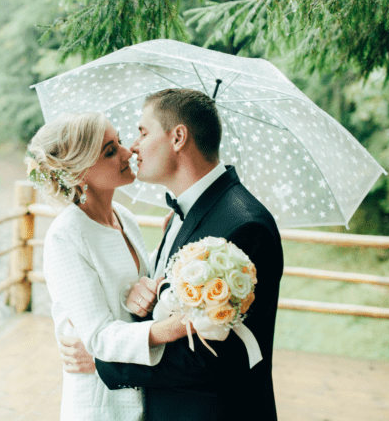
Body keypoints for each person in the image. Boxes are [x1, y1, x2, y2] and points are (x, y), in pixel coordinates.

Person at [61, 89, 284, 421]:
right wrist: (141, 295)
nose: (133, 146)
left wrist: (105, 359)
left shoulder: (242, 225)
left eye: (142, 132)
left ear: (178, 137)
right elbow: (170, 303)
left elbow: (212, 359)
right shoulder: (183, 215)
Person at [26, 111, 189, 421]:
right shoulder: (66, 237)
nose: (129, 153)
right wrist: (171, 329)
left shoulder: (123, 217)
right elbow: (98, 337)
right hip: (103, 405)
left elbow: (136, 279)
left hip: (144, 391)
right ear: (76, 174)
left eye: (120, 142)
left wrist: (172, 237)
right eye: (110, 151)